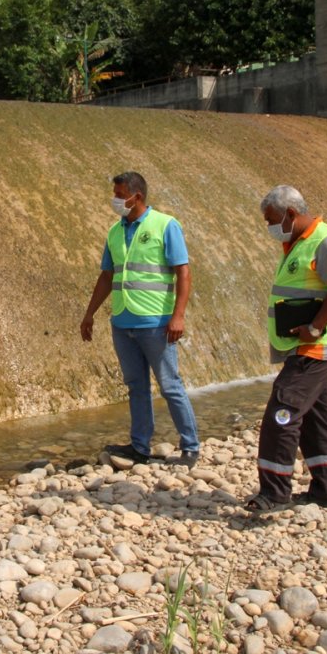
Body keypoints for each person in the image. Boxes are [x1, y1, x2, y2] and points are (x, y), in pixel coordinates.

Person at [80, 172, 201, 467]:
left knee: (170, 385)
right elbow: (107, 276)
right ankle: (140, 447)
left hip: (156, 322)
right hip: (122, 321)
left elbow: (182, 272)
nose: (116, 200)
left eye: (120, 194)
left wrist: (178, 316)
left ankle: (190, 447)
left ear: (137, 196)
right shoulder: (114, 232)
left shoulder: (165, 225)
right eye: (115, 194)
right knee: (136, 386)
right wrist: (90, 313)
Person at [246, 186, 327, 513]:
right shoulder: (297, 242)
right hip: (304, 346)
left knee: (282, 412)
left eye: (272, 220)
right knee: (315, 417)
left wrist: (316, 327)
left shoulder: (325, 240)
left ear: (291, 214)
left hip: (317, 346)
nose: (269, 227)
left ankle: (274, 492)